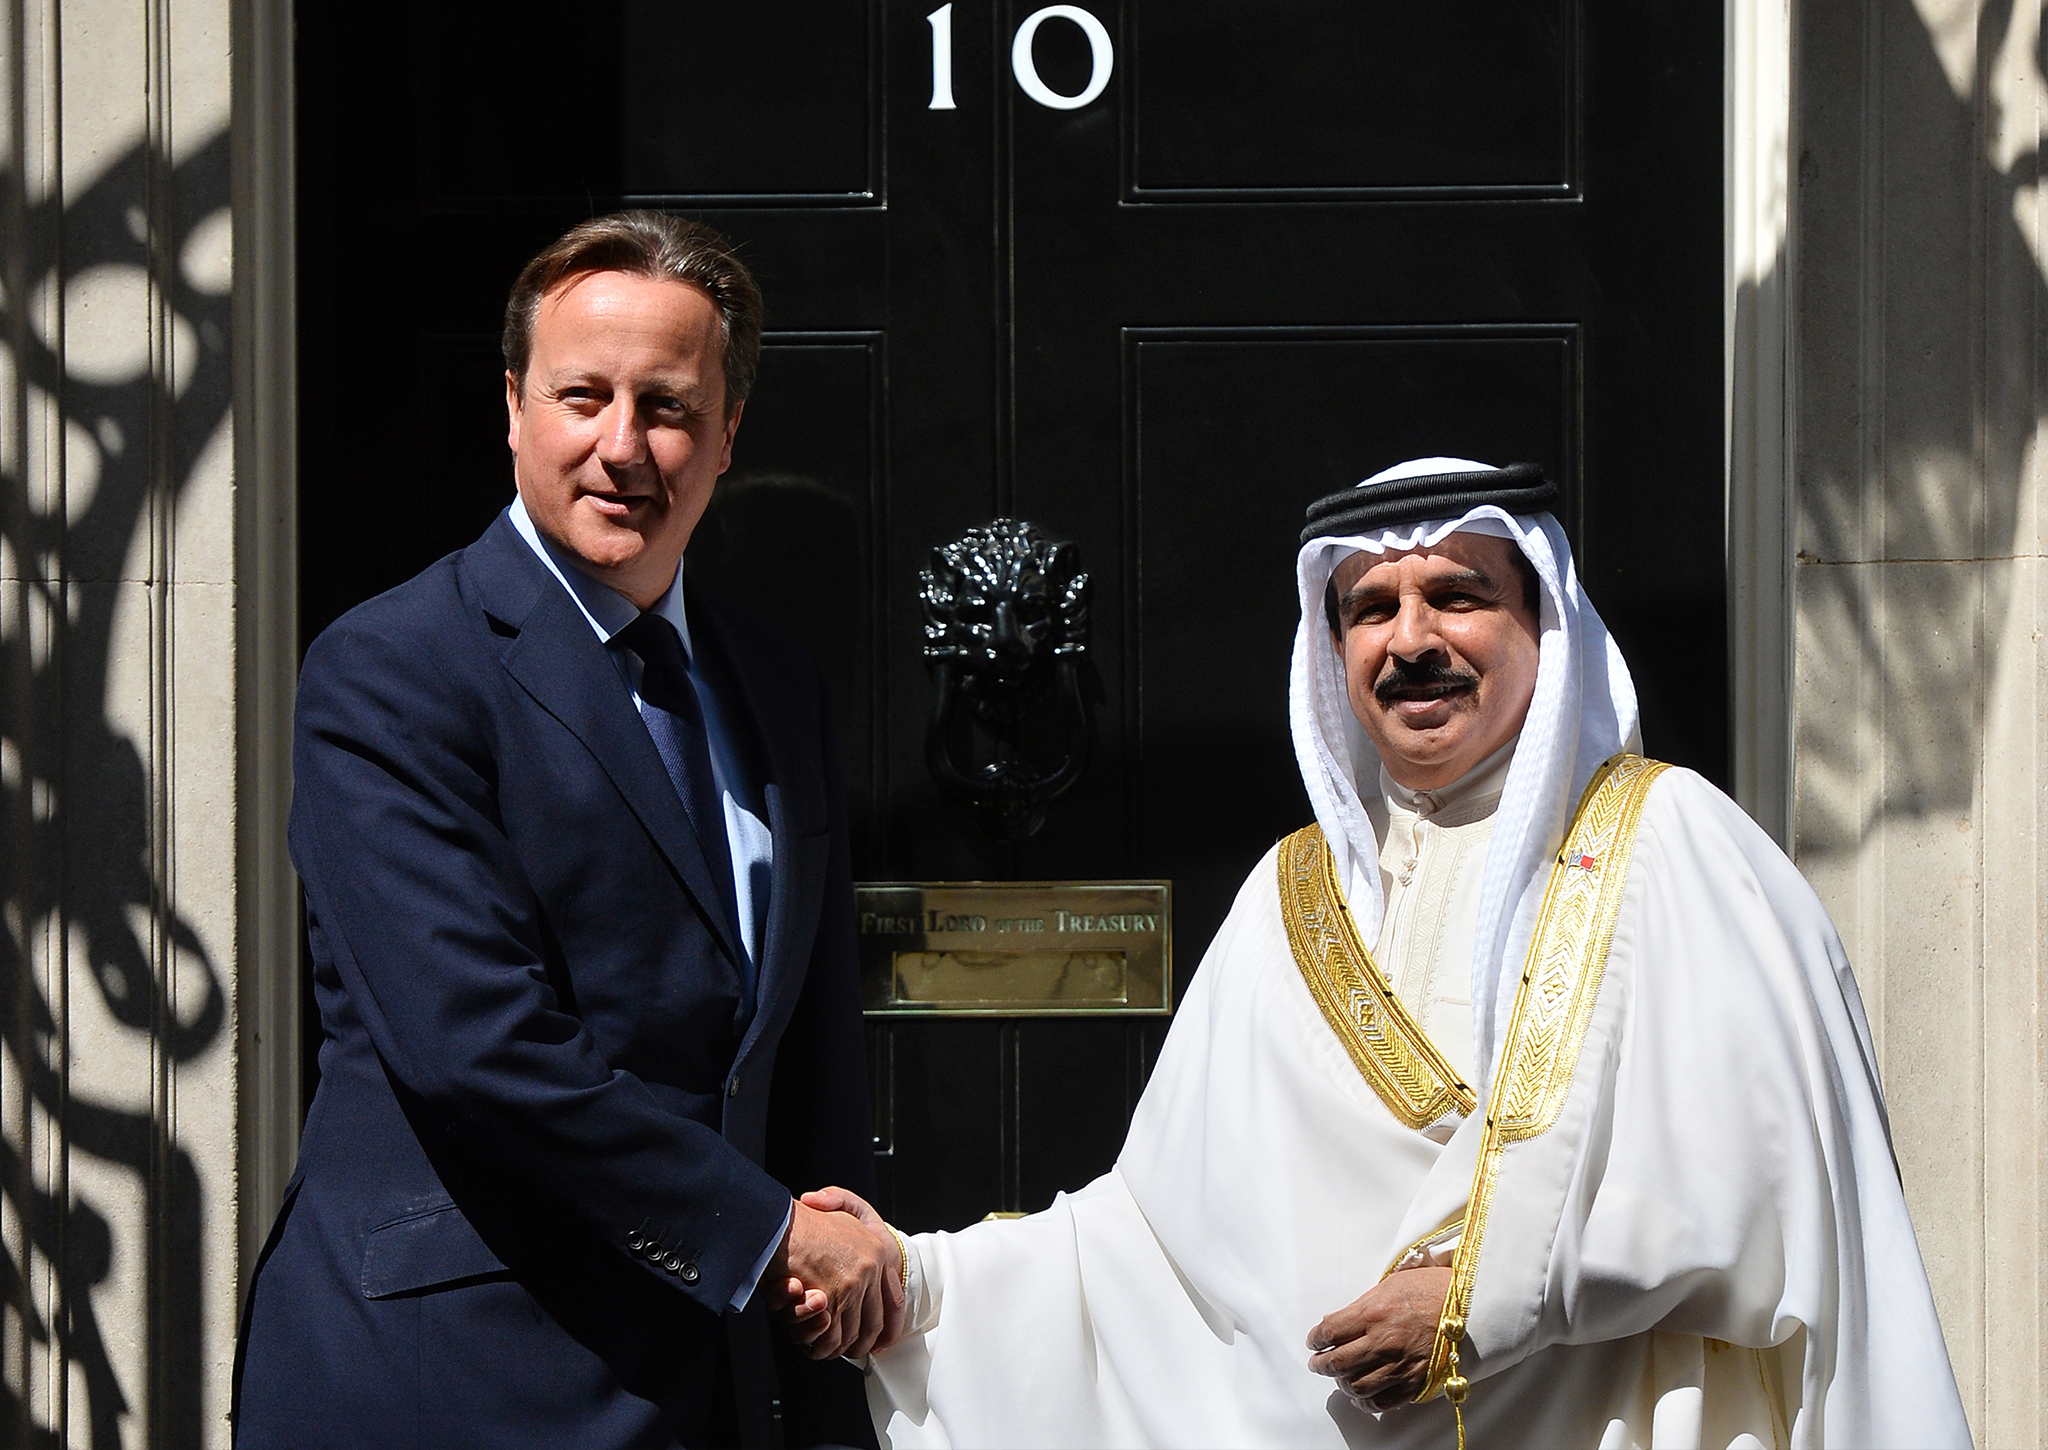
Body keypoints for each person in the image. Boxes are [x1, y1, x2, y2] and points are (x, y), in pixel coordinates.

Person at [800, 459, 1970, 1448]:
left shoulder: (1677, 847)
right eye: (1369, 608)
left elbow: (1773, 1193)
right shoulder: (1286, 895)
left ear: (1541, 626)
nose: (1411, 641)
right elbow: (1153, 1246)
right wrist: (922, 1279)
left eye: (1458, 597)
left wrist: (1482, 1295)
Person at [234, 212, 896, 1449]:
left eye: (666, 404)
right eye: (580, 396)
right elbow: (471, 1044)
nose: (620, 446)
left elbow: (800, 1049)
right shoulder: (393, 670)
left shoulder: (777, 684)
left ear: (728, 429)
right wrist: (764, 1235)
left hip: (718, 1381)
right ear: (513, 407)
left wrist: (829, 1291)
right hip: (455, 1380)